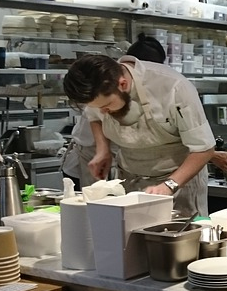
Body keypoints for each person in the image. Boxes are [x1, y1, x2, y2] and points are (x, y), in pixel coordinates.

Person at [63, 53, 215, 218]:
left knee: (177, 238)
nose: (102, 112)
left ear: (123, 84)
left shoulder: (174, 87)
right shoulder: (98, 88)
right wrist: (103, 149)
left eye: (107, 106)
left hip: (178, 182)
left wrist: (169, 185)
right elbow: (94, 118)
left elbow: (204, 148)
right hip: (129, 178)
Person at [62, 33, 167, 189]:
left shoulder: (148, 86)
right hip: (89, 158)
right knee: (93, 204)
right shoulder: (108, 83)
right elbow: (94, 117)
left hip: (115, 159)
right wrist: (102, 149)